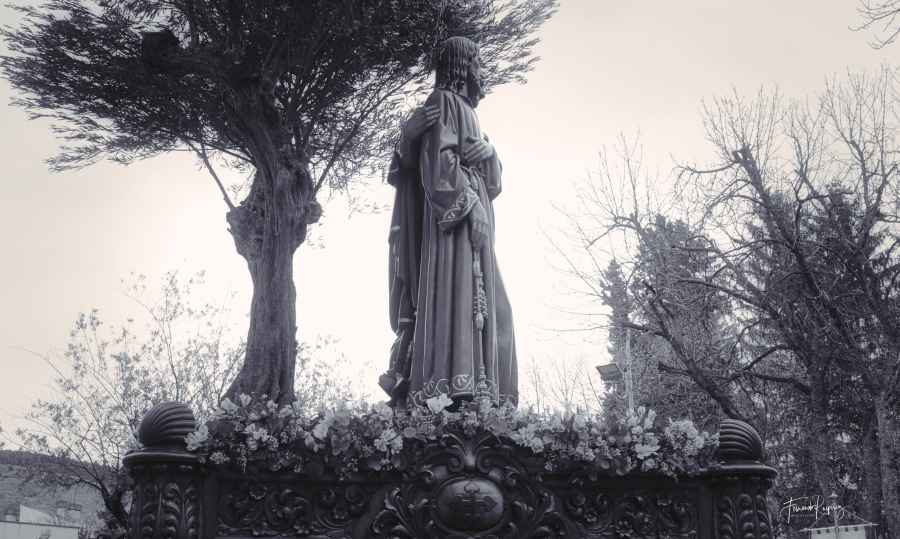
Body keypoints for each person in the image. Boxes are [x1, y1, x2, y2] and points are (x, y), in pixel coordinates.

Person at [383, 36, 518, 409]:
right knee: (458, 294)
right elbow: (437, 163)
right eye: (477, 62)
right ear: (461, 64)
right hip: (454, 225)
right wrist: (471, 206)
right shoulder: (442, 100)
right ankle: (452, 389)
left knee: (492, 308)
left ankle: (483, 393)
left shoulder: (466, 109)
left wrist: (490, 153)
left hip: (474, 220)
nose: (481, 70)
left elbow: (493, 183)